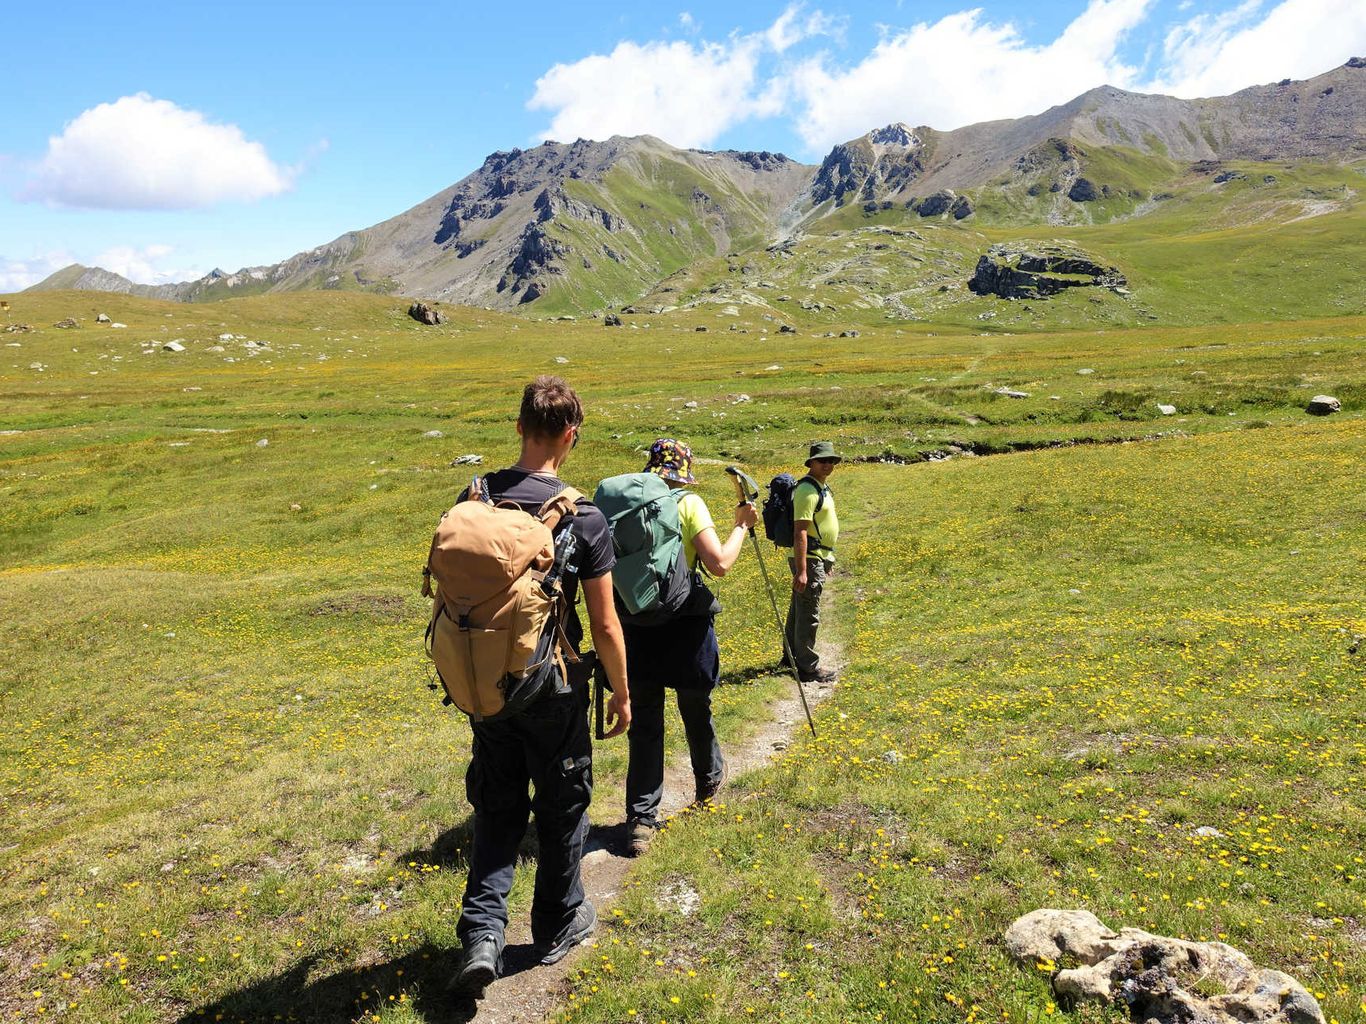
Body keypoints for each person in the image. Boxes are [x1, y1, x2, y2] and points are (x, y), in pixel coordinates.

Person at [449, 376, 631, 997]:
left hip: (484, 681)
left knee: (497, 804)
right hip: (554, 685)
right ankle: (556, 923)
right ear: (570, 436)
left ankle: (481, 933)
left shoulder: (472, 499)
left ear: (520, 427)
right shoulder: (582, 515)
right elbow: (605, 624)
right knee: (562, 803)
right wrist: (622, 691)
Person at [623, 439, 757, 857]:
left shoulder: (630, 504)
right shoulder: (688, 502)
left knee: (645, 723)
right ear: (685, 468)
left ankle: (641, 821)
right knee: (696, 708)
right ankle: (707, 787)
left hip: (638, 624)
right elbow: (718, 563)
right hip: (686, 625)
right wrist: (742, 526)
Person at [785, 441, 841, 684]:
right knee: (808, 613)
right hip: (808, 559)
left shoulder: (821, 487)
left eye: (831, 461)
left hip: (816, 557)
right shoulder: (808, 490)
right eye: (822, 461)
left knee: (799, 608)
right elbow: (800, 532)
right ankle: (808, 667)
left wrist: (828, 557)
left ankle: (789, 658)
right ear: (812, 463)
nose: (827, 465)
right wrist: (802, 570)